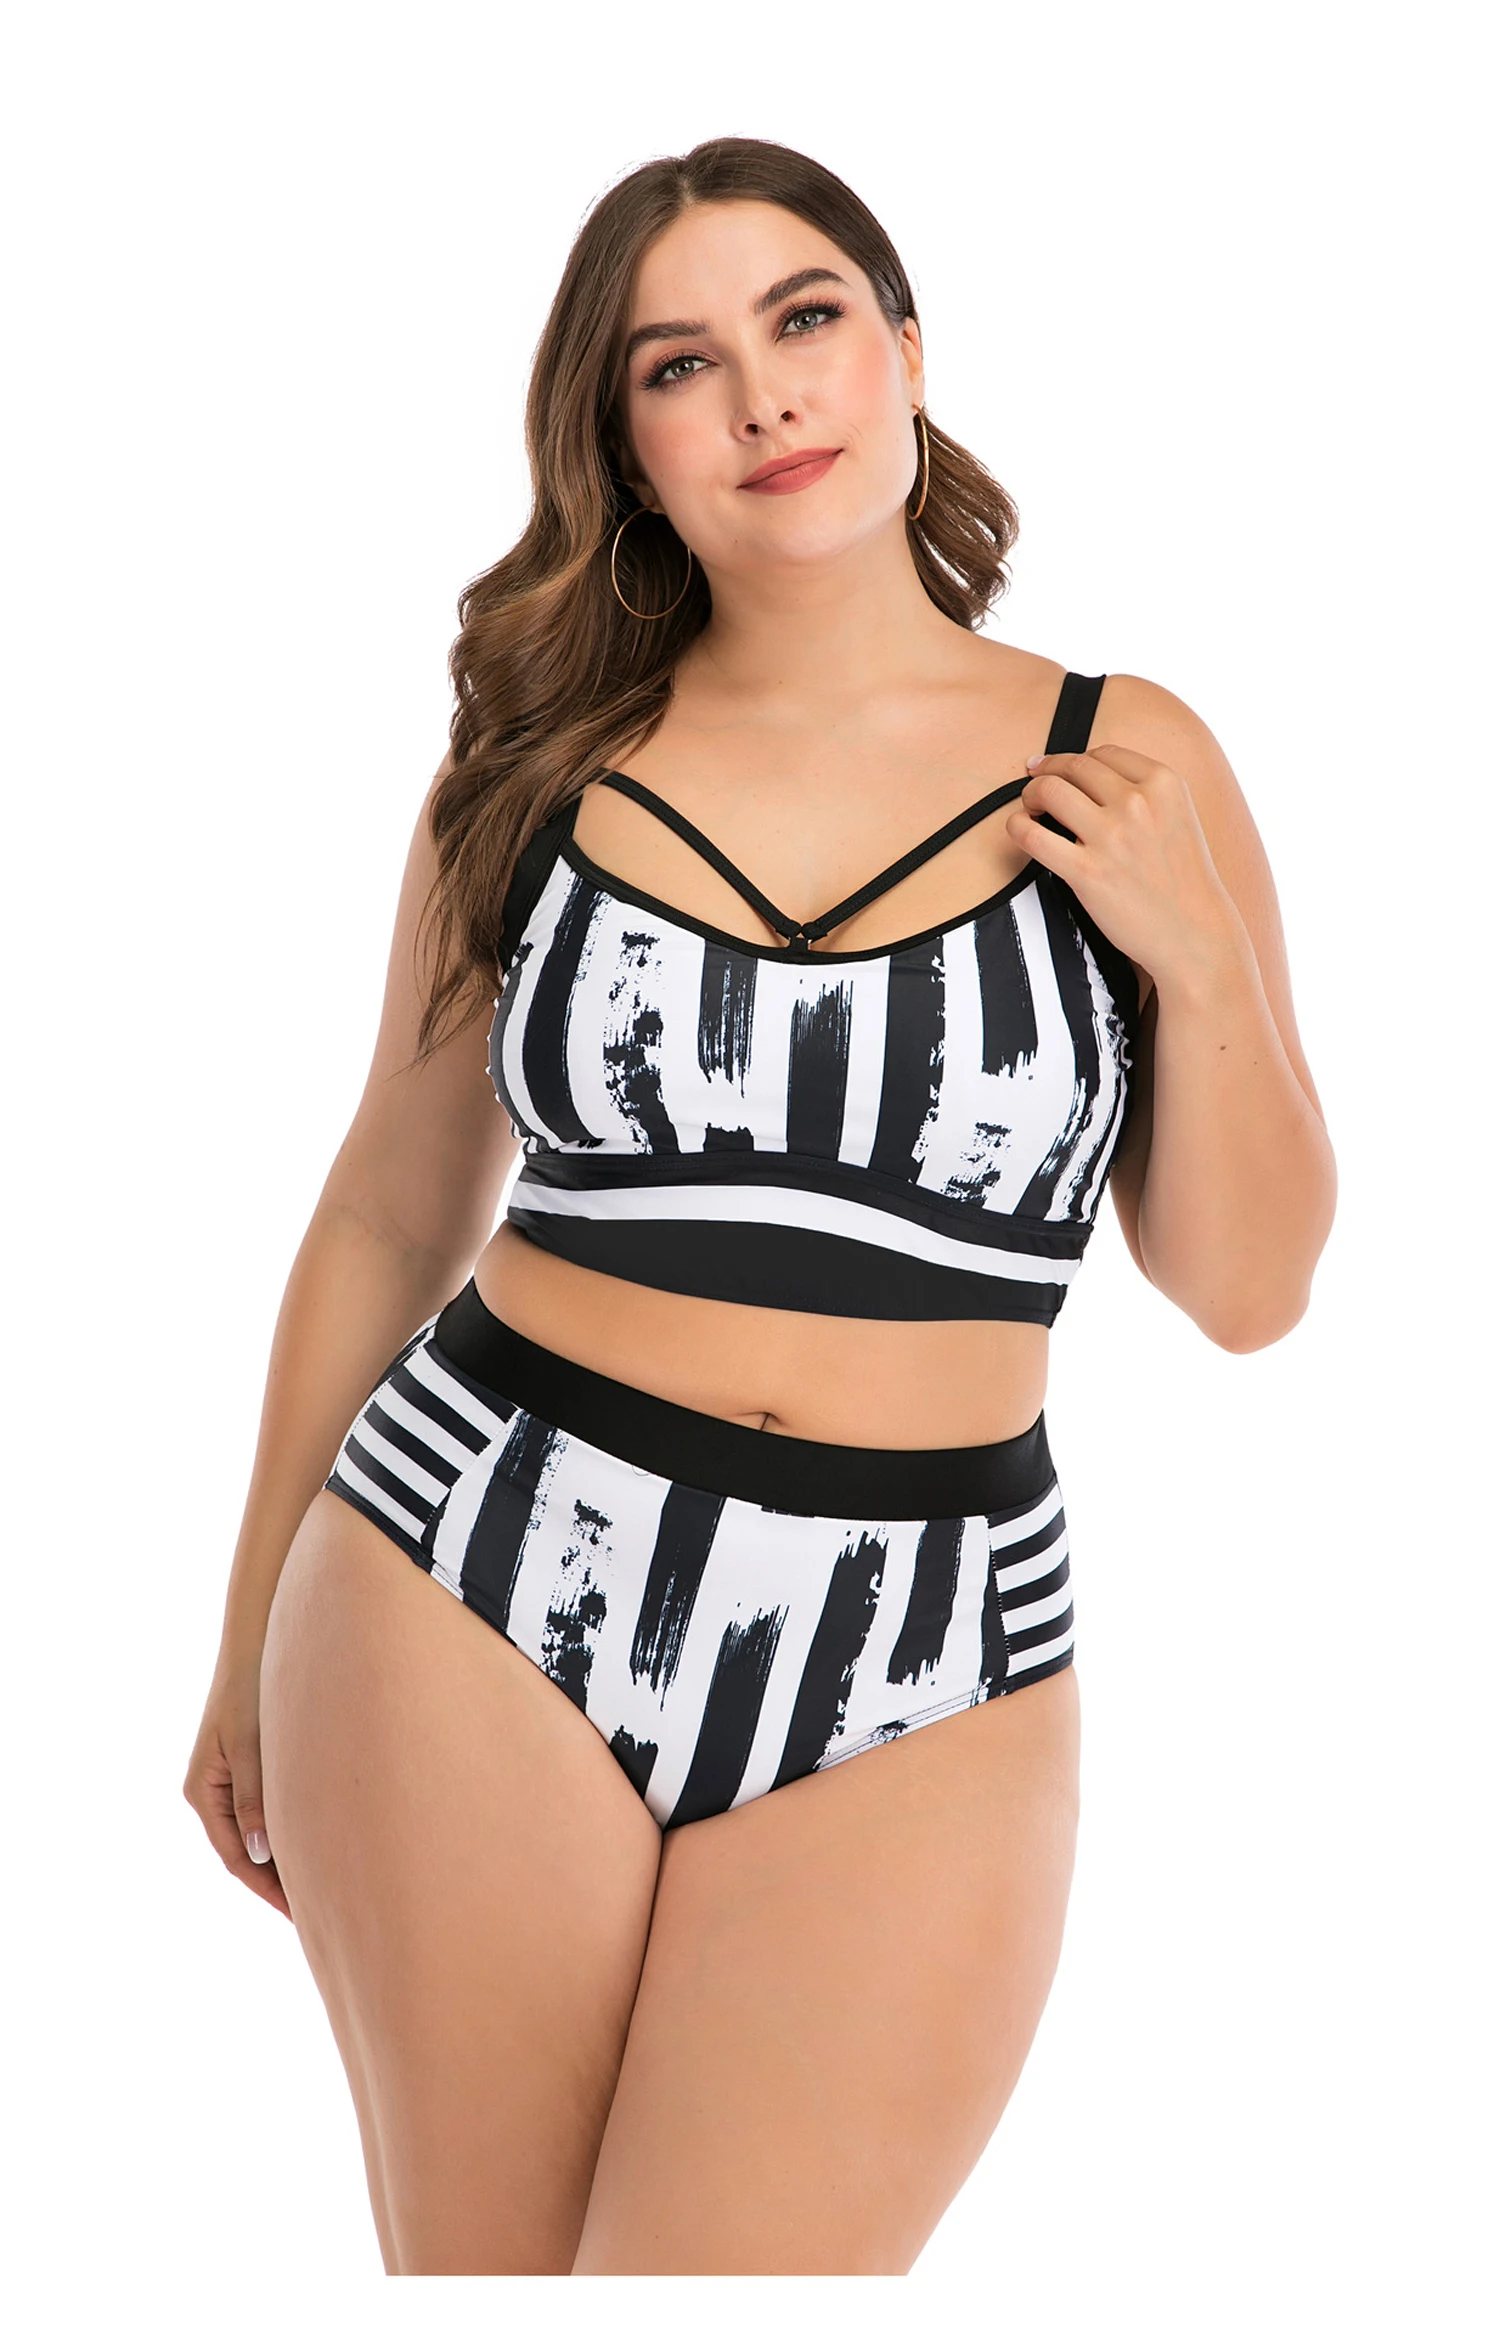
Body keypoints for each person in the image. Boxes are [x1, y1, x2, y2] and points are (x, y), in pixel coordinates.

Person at [182, 136, 1336, 2276]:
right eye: (679, 364)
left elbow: (1252, 1288)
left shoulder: (1129, 759)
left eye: (806, 320)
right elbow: (388, 1211)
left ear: (908, 354)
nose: (765, 396)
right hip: (469, 1581)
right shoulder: (533, 777)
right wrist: (250, 1631)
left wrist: (1197, 960)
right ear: (622, 446)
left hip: (932, 1643)